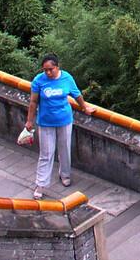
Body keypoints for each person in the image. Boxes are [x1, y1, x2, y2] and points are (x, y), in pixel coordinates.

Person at [25, 54, 95, 199]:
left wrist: (84, 107)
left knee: (64, 149)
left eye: (51, 69)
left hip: (64, 120)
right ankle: (41, 184)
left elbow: (77, 95)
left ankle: (65, 174)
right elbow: (33, 102)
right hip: (45, 122)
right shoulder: (39, 81)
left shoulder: (66, 78)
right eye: (45, 70)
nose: (48, 73)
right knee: (46, 154)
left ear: (57, 67)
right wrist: (29, 121)